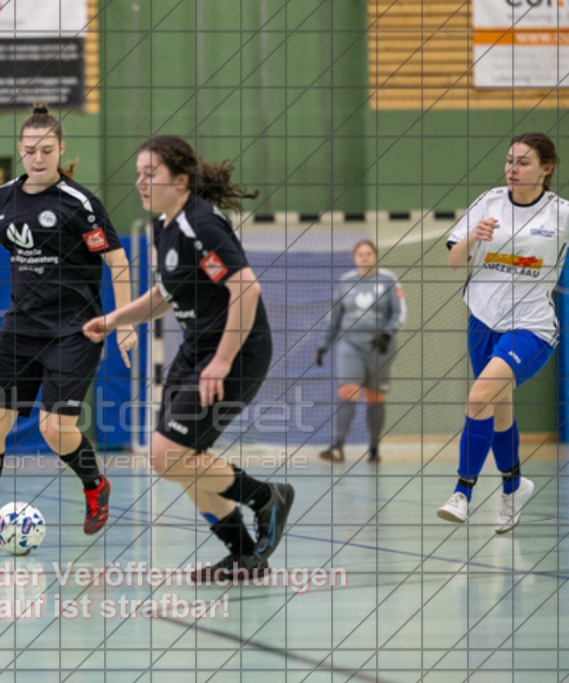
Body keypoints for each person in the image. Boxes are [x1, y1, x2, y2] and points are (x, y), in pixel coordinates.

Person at [83, 136, 294, 582]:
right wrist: (116, 319)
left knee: (168, 455)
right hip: (195, 350)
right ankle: (245, 556)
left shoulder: (201, 224)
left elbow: (246, 289)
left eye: (150, 173)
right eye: (137, 174)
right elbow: (165, 295)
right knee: (180, 460)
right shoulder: (165, 228)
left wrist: (221, 362)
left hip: (235, 352)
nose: (140, 182)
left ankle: (267, 497)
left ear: (180, 180)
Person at [0, 103, 137, 550]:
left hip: (75, 330)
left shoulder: (80, 204)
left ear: (61, 149)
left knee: (54, 428)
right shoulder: (2, 200)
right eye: (30, 150)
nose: (38, 158)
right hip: (21, 328)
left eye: (47, 150)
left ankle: (95, 485)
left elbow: (118, 260)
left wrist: (124, 322)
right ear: (20, 150)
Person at [437, 131, 566, 533]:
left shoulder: (560, 214)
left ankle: (462, 492)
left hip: (530, 327)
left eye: (523, 163)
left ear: (546, 169)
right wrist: (472, 238)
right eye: (510, 160)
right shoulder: (489, 202)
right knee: (497, 405)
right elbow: (454, 262)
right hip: (482, 321)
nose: (513, 169)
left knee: (479, 395)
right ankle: (513, 487)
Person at [315, 240, 406, 464]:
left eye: (368, 253)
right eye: (360, 254)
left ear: (375, 255)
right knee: (348, 390)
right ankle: (337, 447)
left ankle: (374, 448)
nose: (365, 257)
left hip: (379, 346)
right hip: (351, 345)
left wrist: (388, 334)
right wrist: (323, 344)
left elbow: (399, 311)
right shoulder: (346, 281)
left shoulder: (388, 279)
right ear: (354, 257)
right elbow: (335, 317)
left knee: (375, 396)